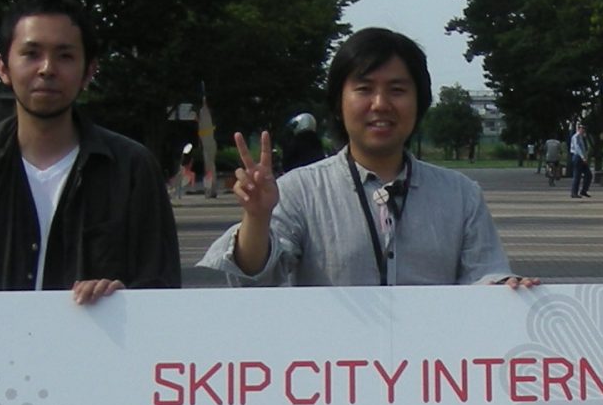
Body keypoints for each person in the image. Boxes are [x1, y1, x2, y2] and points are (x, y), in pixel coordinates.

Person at [0, 0, 180, 312]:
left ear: (89, 71)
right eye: (31, 54)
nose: (47, 69)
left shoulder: (132, 168)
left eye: (65, 56)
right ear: (3, 67)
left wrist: (122, 300)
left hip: (99, 344)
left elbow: (162, 287)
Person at [203, 27, 532, 288]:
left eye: (397, 90)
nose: (380, 104)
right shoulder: (298, 191)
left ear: (420, 102)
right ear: (338, 102)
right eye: (364, 89)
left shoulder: (461, 195)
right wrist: (257, 217)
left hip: (431, 354)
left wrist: (507, 288)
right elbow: (255, 277)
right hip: (334, 354)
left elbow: (484, 276)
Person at [567, 120, 592, 199]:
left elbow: (584, 148)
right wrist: (583, 157)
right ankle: (574, 193)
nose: (583, 130)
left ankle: (583, 191)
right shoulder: (576, 137)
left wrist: (585, 156)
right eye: (582, 128)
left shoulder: (582, 137)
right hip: (577, 157)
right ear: (578, 128)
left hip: (582, 158)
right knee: (577, 176)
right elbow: (577, 148)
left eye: (584, 128)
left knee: (589, 175)